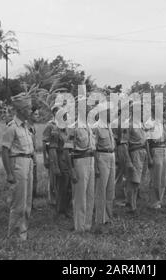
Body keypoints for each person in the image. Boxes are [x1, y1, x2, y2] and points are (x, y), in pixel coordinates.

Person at [1, 93, 35, 241]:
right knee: (18, 202)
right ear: (21, 110)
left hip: (28, 163)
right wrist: (9, 173)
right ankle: (14, 235)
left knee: (27, 201)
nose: (30, 111)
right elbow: (4, 151)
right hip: (18, 164)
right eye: (28, 108)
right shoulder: (12, 127)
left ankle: (23, 233)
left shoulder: (26, 127)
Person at [70, 97, 96, 232]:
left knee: (90, 194)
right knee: (80, 195)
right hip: (79, 161)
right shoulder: (73, 127)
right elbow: (67, 150)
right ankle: (79, 227)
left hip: (91, 160)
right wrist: (72, 170)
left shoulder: (89, 127)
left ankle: (87, 225)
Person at [93, 102, 116, 233]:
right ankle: (100, 219)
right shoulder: (96, 127)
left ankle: (108, 216)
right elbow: (94, 148)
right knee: (101, 189)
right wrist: (96, 166)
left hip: (111, 155)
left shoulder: (108, 125)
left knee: (110, 189)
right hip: (102, 157)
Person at [126, 103, 151, 215]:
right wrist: (128, 160)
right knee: (134, 180)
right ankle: (132, 206)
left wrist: (149, 157)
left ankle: (134, 203)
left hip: (143, 152)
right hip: (134, 152)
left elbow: (145, 141)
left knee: (139, 180)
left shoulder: (140, 124)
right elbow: (125, 143)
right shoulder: (129, 125)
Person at [146, 112, 166, 209]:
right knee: (156, 177)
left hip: (163, 149)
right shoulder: (150, 123)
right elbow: (146, 142)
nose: (165, 113)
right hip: (155, 150)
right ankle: (153, 202)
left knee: (163, 176)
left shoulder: (162, 124)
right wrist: (149, 157)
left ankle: (160, 200)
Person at [42, 105, 61, 206]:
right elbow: (45, 142)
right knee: (53, 176)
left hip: (61, 152)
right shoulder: (50, 125)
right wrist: (45, 158)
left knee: (60, 175)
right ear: (54, 113)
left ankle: (59, 197)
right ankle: (52, 199)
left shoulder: (63, 125)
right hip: (52, 151)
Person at [28, 106, 40, 203]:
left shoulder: (33, 127)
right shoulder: (26, 127)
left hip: (34, 155)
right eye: (35, 114)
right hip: (28, 156)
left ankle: (31, 203)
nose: (38, 116)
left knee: (34, 179)